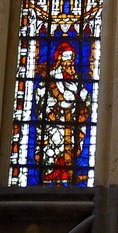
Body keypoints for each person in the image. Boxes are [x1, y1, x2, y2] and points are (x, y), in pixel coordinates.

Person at [37, 40, 92, 184]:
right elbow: (42, 100)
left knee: (71, 149)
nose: (71, 64)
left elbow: (85, 98)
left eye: (72, 60)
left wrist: (82, 109)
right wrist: (54, 111)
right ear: (60, 60)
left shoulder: (75, 82)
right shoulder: (51, 82)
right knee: (54, 147)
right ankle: (52, 174)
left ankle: (69, 174)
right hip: (55, 125)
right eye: (68, 61)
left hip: (71, 123)